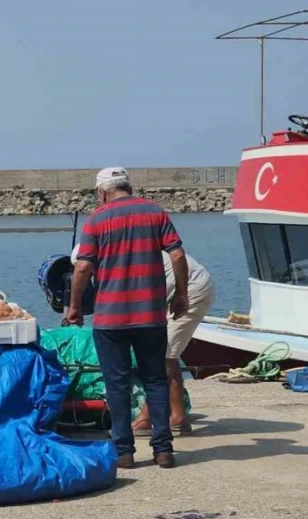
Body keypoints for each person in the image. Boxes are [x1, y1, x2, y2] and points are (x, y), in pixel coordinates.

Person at [66, 167, 189, 469]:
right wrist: (182, 294)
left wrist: (74, 306)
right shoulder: (155, 212)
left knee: (117, 384)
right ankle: (163, 450)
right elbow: (177, 255)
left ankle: (124, 452)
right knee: (156, 381)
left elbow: (82, 268)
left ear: (102, 192)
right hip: (151, 316)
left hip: (111, 319)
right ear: (127, 187)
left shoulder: (96, 219)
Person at [131, 252, 214, 436]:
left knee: (163, 359)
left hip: (191, 290)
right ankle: (178, 418)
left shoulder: (127, 262)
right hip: (172, 292)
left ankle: (146, 418)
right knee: (169, 353)